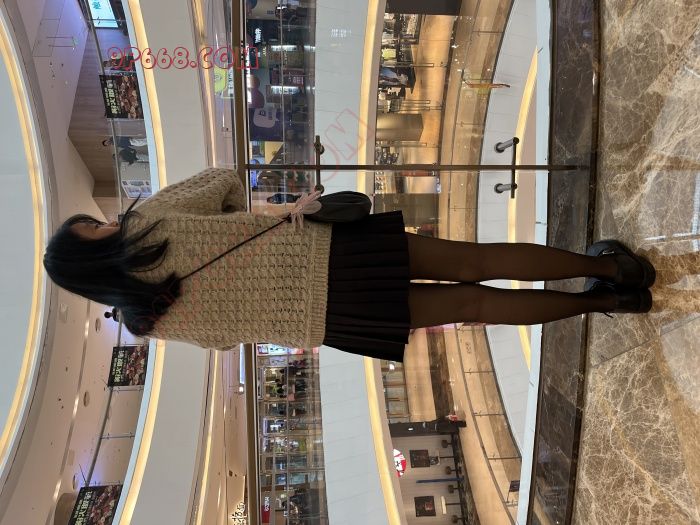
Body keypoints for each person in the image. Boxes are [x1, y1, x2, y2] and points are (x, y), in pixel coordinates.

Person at [42, 168, 655, 362]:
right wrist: (235, 220)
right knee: (475, 261)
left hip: (330, 318)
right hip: (330, 251)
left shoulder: (148, 320)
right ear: (89, 247)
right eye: (93, 227)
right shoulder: (148, 221)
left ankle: (607, 302)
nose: (105, 223)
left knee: (473, 306)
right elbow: (223, 180)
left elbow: (222, 340)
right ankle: (609, 270)